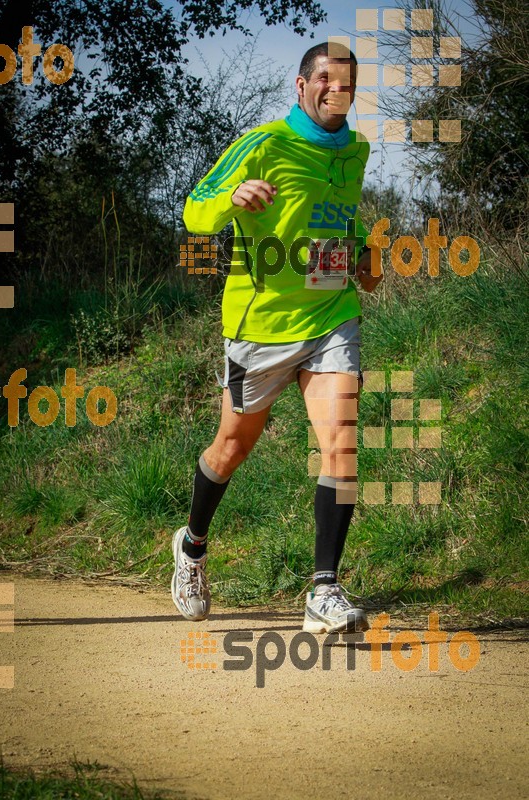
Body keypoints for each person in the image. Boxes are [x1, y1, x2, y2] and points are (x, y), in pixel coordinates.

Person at [172, 41, 383, 634]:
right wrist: (231, 197)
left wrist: (363, 251)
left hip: (331, 314)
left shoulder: (357, 150)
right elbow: (196, 208)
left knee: (341, 440)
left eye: (344, 81)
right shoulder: (264, 144)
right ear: (301, 85)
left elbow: (340, 212)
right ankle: (191, 547)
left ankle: (324, 588)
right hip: (260, 327)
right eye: (322, 79)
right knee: (230, 449)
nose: (333, 90)